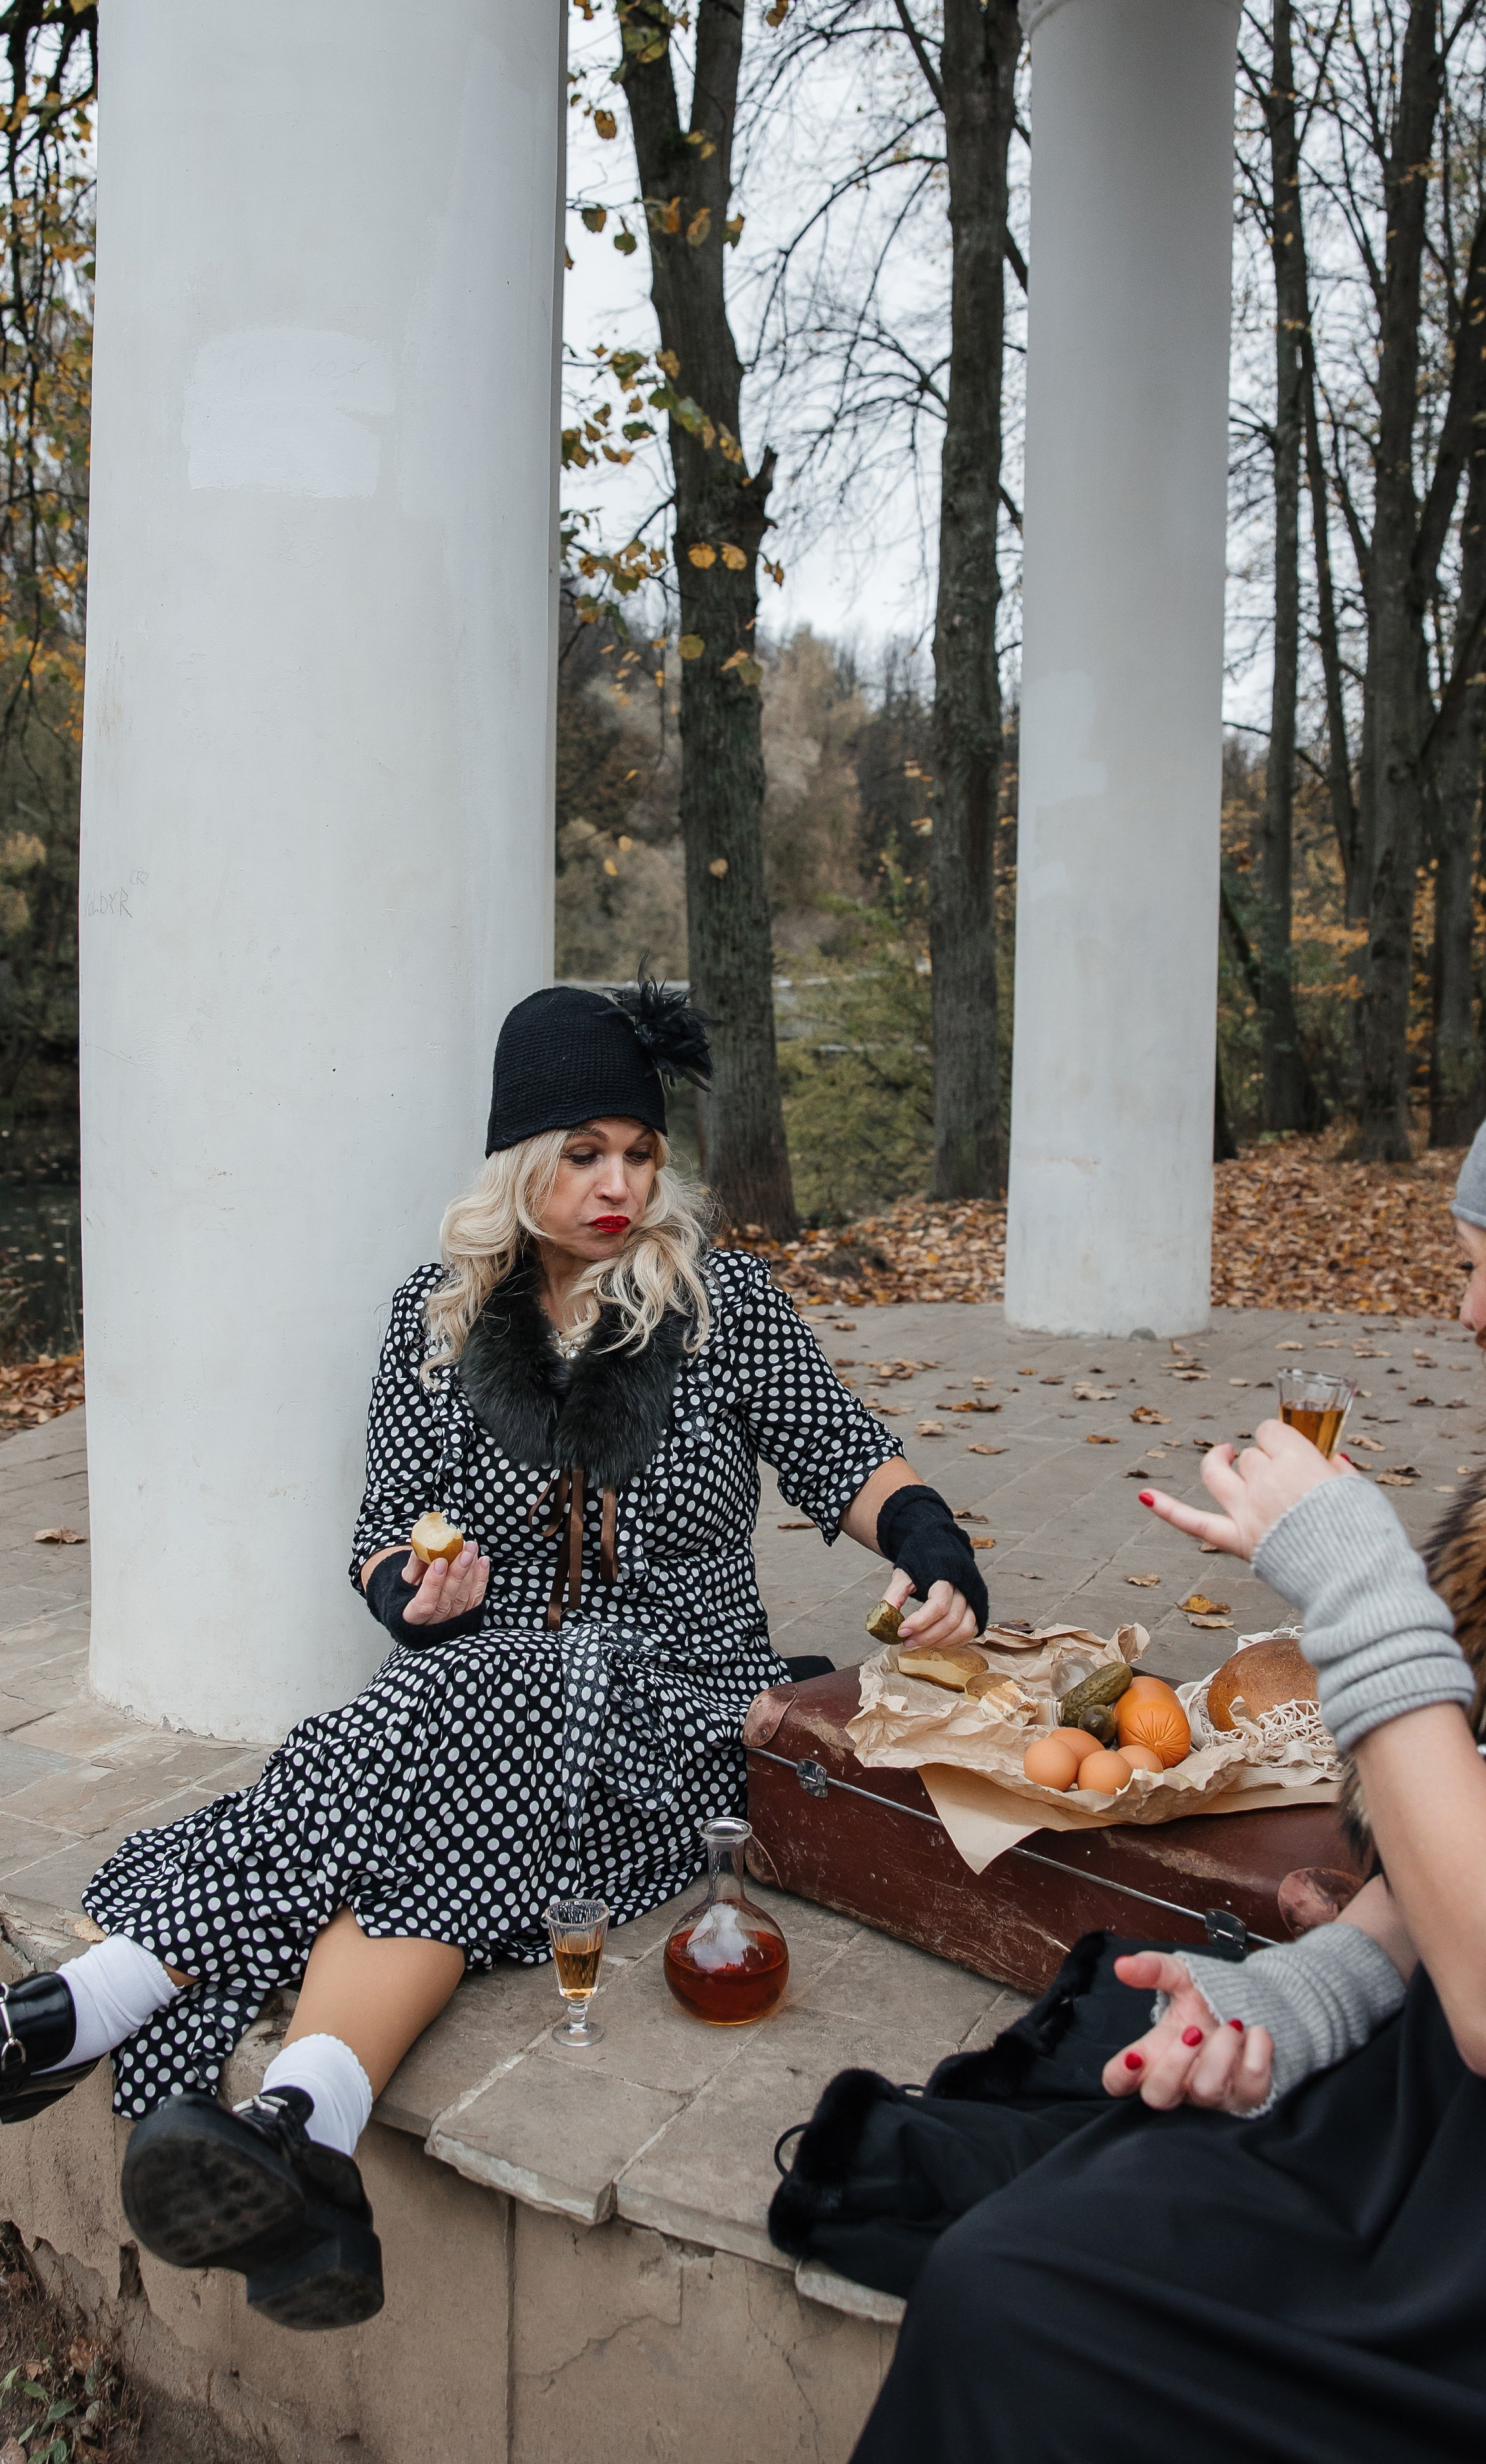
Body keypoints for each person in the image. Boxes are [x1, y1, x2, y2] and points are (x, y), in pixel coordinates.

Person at [0, 981, 990, 2332]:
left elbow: (846, 1455)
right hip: (481, 1695)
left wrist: (934, 1543)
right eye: (583, 1152)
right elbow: (377, 1545)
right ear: (522, 1157)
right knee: (465, 1717)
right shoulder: (437, 1316)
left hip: (682, 1704)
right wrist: (419, 1590)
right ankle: (303, 2127)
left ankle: (84, 2004)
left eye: (639, 1152)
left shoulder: (724, 1305)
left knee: (431, 1733)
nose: (618, 1183)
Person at [843, 1121, 1486, 2464]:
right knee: (1004, 2255)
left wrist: (1366, 1589)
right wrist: (1298, 2000)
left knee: (1038, 2315)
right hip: (1412, 2105)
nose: (1469, 1314)